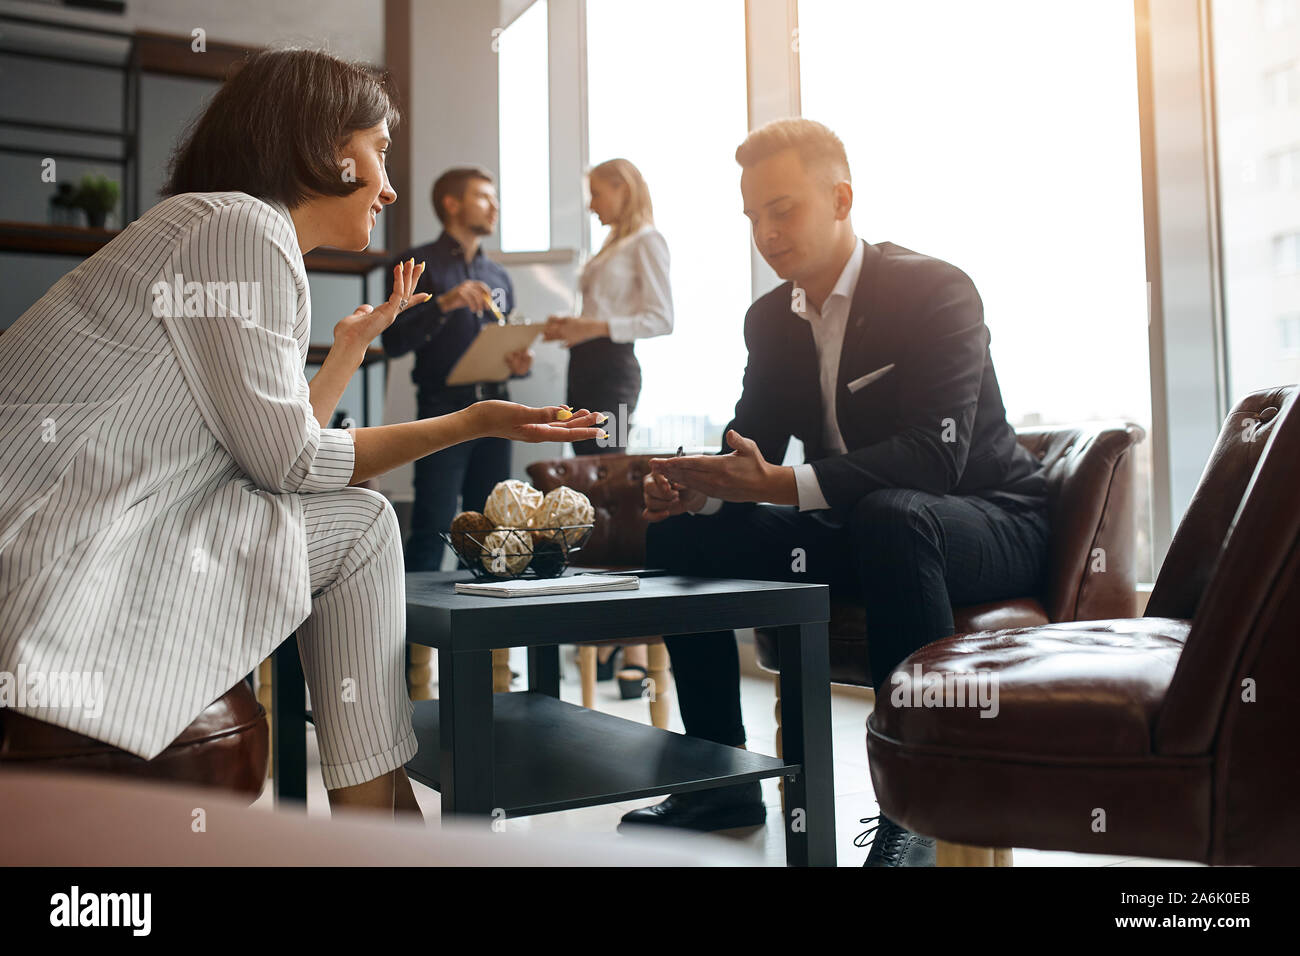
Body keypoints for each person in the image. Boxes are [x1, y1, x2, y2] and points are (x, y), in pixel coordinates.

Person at [0, 49, 603, 820]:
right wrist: (473, 421)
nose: (387, 187)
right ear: (324, 145)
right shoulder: (243, 229)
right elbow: (292, 464)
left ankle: (378, 816)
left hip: (69, 531)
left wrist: (347, 346)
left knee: (355, 518)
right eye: (380, 149)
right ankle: (378, 818)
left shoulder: (216, 226)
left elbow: (275, 458)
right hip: (63, 552)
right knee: (362, 521)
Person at [619, 119, 1049, 866]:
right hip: (863, 530)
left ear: (841, 198)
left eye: (782, 208)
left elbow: (934, 460)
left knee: (894, 514)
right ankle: (718, 780)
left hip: (985, 521)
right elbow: (749, 438)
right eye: (752, 216)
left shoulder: (934, 290)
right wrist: (700, 492)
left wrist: (782, 484)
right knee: (680, 539)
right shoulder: (770, 320)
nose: (766, 232)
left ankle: (911, 807)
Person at [380, 166, 535, 571]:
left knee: (492, 530)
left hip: (498, 412)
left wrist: (518, 363)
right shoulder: (414, 265)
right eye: (484, 196)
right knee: (433, 525)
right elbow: (393, 342)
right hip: (442, 411)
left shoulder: (498, 275)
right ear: (452, 204)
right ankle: (414, 635)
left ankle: (486, 631)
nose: (494, 206)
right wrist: (444, 304)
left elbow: (500, 339)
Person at [543, 158, 673, 457]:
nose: (591, 206)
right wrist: (573, 324)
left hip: (612, 373)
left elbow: (662, 319)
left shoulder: (647, 241)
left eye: (596, 194)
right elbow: (604, 309)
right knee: (585, 463)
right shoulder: (613, 245)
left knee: (605, 466)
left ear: (623, 190)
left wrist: (593, 327)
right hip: (582, 367)